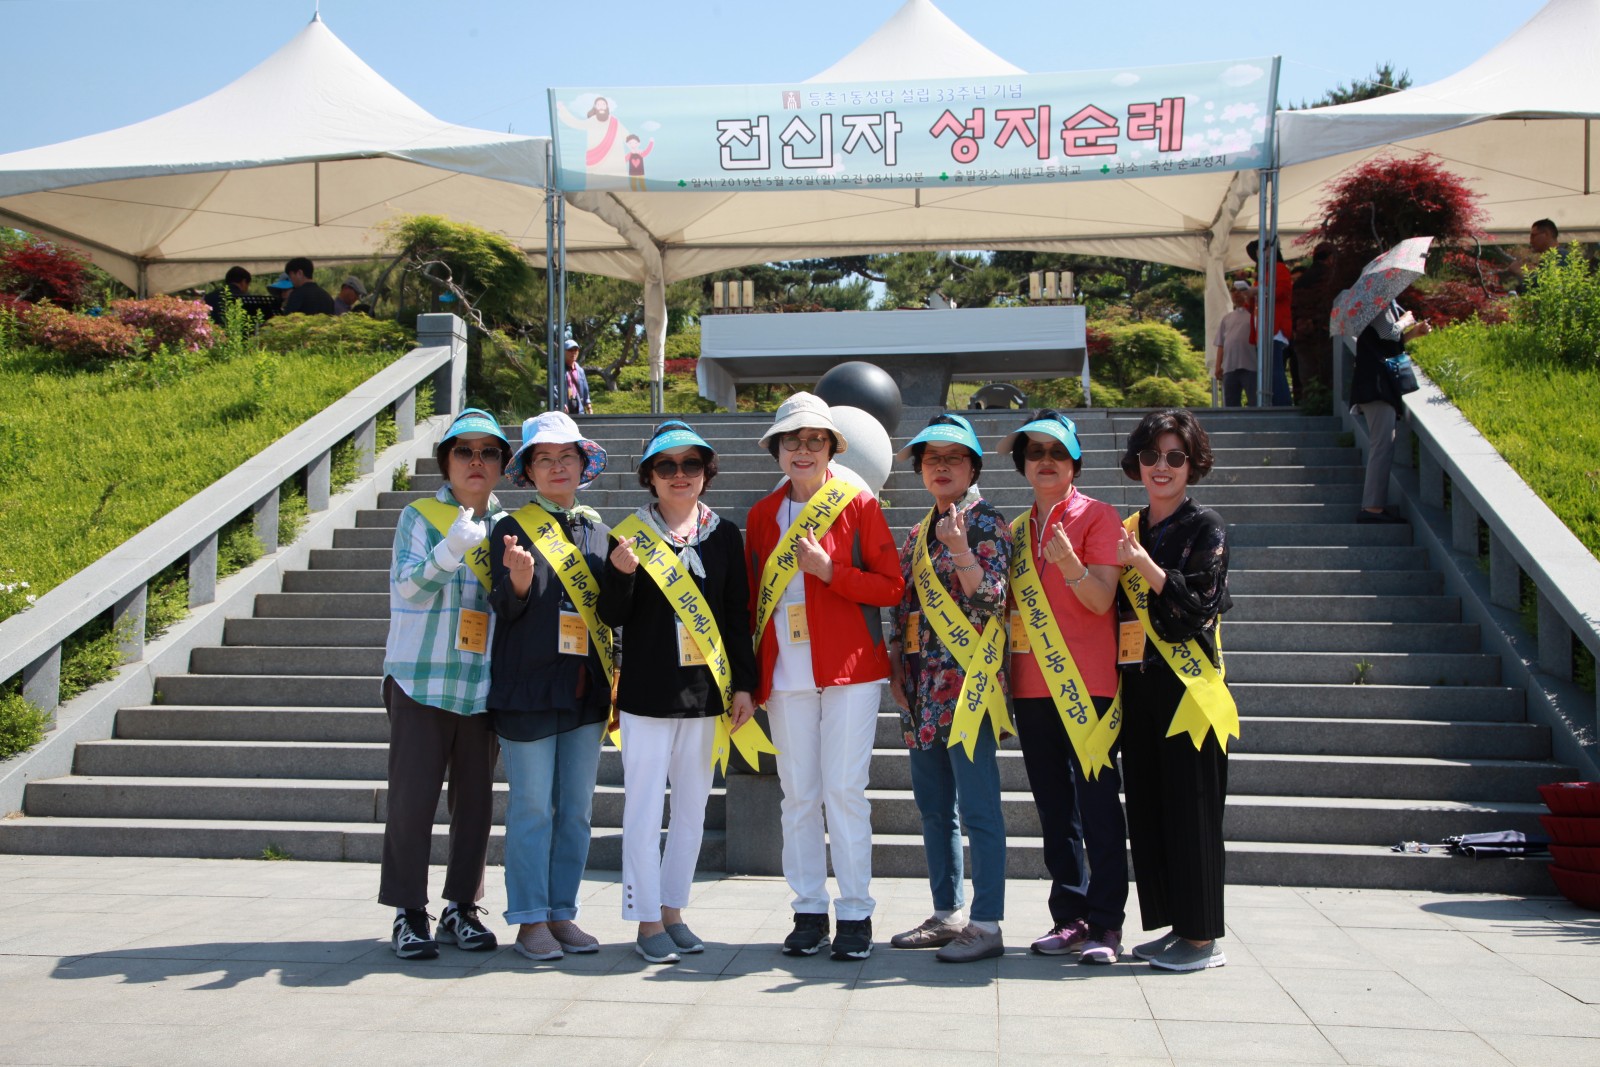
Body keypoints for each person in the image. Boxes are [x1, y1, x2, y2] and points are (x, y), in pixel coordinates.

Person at [744, 392, 904, 961]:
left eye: (815, 440)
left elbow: (891, 586)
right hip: (786, 674)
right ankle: (808, 909)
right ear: (777, 450)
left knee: (844, 791)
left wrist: (832, 572)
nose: (803, 449)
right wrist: (750, 680)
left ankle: (856, 912)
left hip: (850, 671)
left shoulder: (857, 504)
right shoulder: (762, 516)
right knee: (799, 796)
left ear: (833, 447)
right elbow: (751, 600)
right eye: (792, 440)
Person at [600, 420, 758, 964]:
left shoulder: (725, 535)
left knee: (691, 811)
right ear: (650, 475)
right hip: (646, 694)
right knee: (643, 811)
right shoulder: (627, 535)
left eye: (691, 464)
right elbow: (611, 615)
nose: (680, 474)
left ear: (706, 472)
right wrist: (620, 574)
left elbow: (737, 616)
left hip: (706, 694)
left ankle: (673, 911)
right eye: (666, 465)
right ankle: (646, 921)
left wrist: (744, 685)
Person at [379, 408, 509, 960]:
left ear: (503, 464)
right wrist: (450, 548)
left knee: (475, 804)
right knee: (412, 801)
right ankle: (409, 911)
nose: (476, 461)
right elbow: (408, 588)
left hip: (482, 685)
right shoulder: (419, 515)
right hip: (421, 679)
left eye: (488, 452)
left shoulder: (509, 525)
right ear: (446, 461)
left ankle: (462, 906)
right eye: (464, 451)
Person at [1001, 410, 1129, 965]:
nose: (1045, 461)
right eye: (1035, 452)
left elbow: (1101, 600)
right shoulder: (1014, 531)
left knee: (1098, 806)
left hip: (1089, 687)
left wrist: (1072, 565)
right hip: (1031, 687)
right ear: (1023, 465)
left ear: (1075, 462)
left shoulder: (1099, 516)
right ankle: (1069, 917)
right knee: (1054, 811)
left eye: (1057, 452)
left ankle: (1106, 924)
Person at [1114, 409, 1238, 973]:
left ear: (1193, 464)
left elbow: (1199, 609)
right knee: (1151, 810)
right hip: (1139, 688)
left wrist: (1145, 566)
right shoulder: (1131, 526)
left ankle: (1202, 938)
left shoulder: (1206, 525)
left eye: (1174, 457)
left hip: (1190, 692)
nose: (1160, 467)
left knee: (1193, 813)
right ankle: (1176, 927)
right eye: (1150, 456)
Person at [886, 413, 1013, 963]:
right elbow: (904, 607)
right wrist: (895, 661)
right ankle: (946, 912)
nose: (941, 467)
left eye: (953, 458)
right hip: (922, 687)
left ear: (972, 467)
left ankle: (986, 922)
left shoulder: (988, 523)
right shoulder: (917, 534)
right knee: (935, 808)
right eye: (931, 458)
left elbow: (992, 599)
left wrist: (961, 549)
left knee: (979, 807)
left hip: (970, 684)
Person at [488, 412, 612, 962]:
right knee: (533, 809)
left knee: (577, 810)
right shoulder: (510, 529)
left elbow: (611, 614)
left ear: (583, 466)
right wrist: (517, 580)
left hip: (585, 689)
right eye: (545, 459)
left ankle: (563, 912)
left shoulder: (600, 531)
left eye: (567, 457)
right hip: (527, 688)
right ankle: (529, 919)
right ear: (529, 471)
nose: (557, 467)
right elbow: (505, 608)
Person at [1349, 301, 1432, 523]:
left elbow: (1386, 343)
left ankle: (1373, 506)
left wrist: (1413, 332)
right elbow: (1388, 333)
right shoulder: (1377, 304)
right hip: (1376, 386)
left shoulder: (1380, 304)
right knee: (1382, 445)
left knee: (1383, 444)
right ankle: (1372, 508)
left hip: (1376, 385)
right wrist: (1406, 320)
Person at [1246, 239, 1294, 406]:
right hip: (1261, 326)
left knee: (1274, 368)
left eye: (1262, 249)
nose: (1259, 254)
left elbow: (1284, 291)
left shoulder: (1279, 268)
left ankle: (1283, 404)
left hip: (1274, 325)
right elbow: (1252, 305)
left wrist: (1259, 291)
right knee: (1267, 370)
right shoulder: (1262, 273)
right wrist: (1249, 295)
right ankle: (1273, 403)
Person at [1213, 282, 1256, 408]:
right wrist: (1218, 366)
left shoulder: (1254, 315)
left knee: (1254, 402)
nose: (1236, 293)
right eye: (1233, 290)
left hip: (1251, 366)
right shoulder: (1227, 318)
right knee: (1231, 404)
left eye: (1240, 290)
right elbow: (1221, 344)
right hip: (1229, 367)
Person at [562, 339, 593, 415]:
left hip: (578, 407)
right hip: (564, 408)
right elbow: (554, 388)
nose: (573, 353)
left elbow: (585, 389)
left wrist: (589, 407)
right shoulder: (558, 369)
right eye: (570, 350)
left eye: (575, 350)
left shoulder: (580, 370)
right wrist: (560, 403)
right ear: (563, 352)